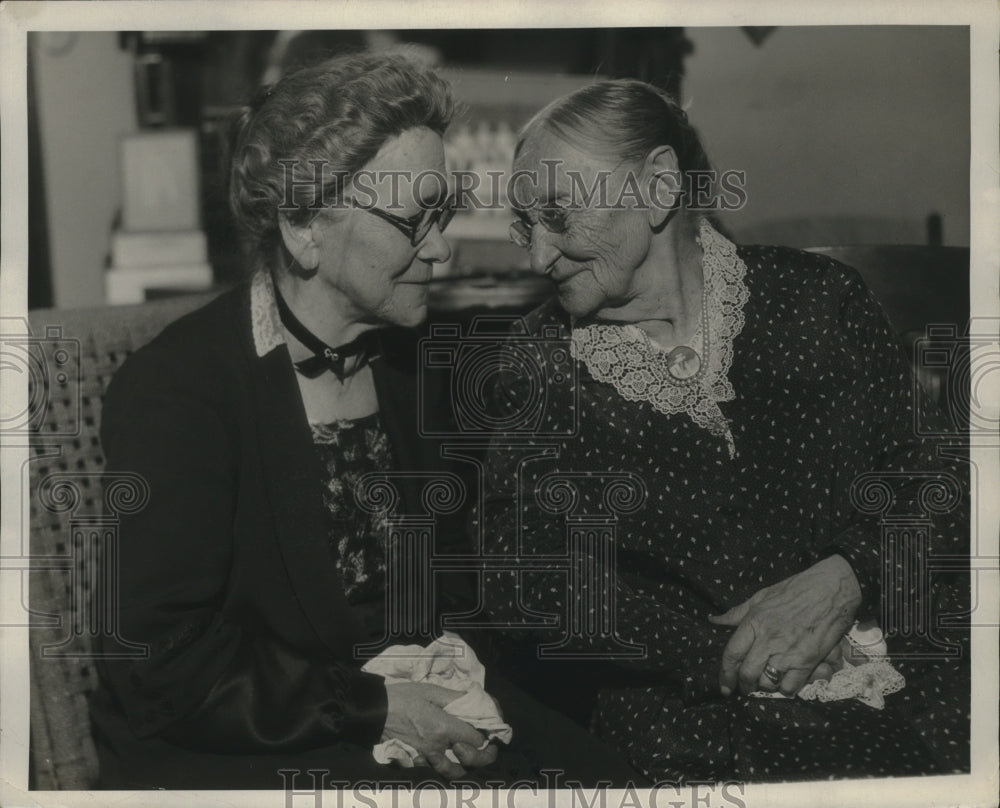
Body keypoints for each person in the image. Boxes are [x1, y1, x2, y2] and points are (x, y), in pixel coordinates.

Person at [90, 54, 643, 790]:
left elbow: (447, 569)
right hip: (242, 741)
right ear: (303, 225)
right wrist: (376, 706)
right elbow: (157, 664)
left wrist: (455, 661)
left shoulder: (406, 361)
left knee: (615, 779)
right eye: (415, 220)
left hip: (406, 697)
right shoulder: (179, 392)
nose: (441, 249)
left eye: (442, 214)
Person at [477, 79, 970, 782]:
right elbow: (522, 582)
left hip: (898, 667)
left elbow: (937, 476)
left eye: (558, 215)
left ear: (656, 186)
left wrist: (849, 575)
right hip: (693, 716)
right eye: (526, 226)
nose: (538, 256)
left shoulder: (819, 301)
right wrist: (725, 653)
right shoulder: (538, 364)